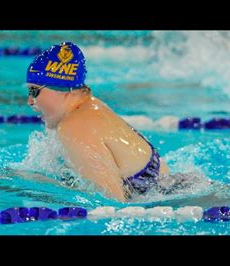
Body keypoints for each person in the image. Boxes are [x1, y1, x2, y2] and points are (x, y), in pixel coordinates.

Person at [26, 42, 170, 202]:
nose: (30, 101)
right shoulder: (92, 107)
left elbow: (110, 203)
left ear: (62, 88)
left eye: (34, 91)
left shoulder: (74, 127)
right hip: (174, 191)